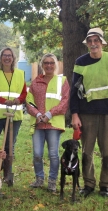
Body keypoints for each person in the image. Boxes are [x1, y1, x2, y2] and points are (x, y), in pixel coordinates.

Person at [70, 27, 108, 197]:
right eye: (90, 41)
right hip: (86, 113)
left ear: (102, 42)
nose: (93, 44)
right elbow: (75, 91)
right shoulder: (80, 62)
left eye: (96, 40)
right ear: (87, 44)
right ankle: (88, 184)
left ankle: (105, 185)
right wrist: (74, 114)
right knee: (86, 152)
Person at [26, 53, 70, 192]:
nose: (49, 65)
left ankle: (52, 181)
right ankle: (39, 179)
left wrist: (49, 114)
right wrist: (38, 114)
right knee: (37, 153)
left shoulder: (62, 81)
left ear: (55, 65)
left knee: (53, 154)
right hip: (38, 123)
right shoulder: (36, 82)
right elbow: (28, 102)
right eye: (46, 63)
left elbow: (65, 101)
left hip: (54, 123)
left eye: (51, 63)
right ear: (42, 65)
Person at [0, 47, 27, 182]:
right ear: (1, 58)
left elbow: (23, 93)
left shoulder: (20, 74)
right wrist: (4, 101)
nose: (7, 58)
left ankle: (8, 175)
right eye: (4, 55)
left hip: (14, 116)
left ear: (13, 58)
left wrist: (18, 100)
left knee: (10, 146)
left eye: (9, 55)